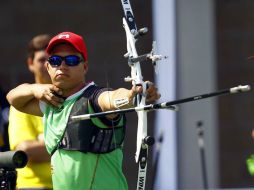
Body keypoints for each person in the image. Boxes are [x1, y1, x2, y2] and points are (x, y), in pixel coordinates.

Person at [6, 31, 160, 190]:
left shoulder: (94, 98)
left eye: (72, 60)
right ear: (48, 67)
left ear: (84, 67)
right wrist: (35, 89)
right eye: (55, 60)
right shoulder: (52, 103)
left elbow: (112, 99)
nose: (62, 66)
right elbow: (13, 99)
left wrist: (132, 95)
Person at [8, 34, 53, 190]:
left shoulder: (71, 98)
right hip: (34, 186)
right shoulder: (21, 103)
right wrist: (67, 142)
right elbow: (25, 151)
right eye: (41, 60)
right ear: (30, 63)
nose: (47, 64)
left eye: (52, 59)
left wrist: (42, 142)